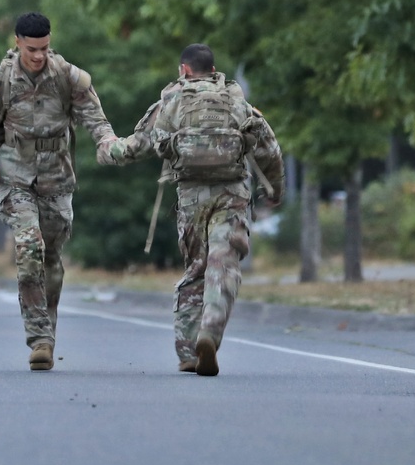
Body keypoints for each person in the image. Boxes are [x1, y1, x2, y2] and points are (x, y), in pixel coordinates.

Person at [99, 43, 285, 376]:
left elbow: (138, 145)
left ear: (184, 70)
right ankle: (209, 333)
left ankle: (187, 352)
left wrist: (106, 149)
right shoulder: (237, 101)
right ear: (213, 71)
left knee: (197, 268)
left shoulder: (171, 101)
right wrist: (274, 189)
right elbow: (269, 147)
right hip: (233, 193)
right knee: (223, 264)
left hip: (191, 197)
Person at [0, 12, 122, 371]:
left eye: (45, 48)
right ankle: (38, 338)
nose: (39, 56)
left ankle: (48, 330)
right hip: (15, 176)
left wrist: (108, 143)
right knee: (29, 249)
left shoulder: (68, 77)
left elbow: (95, 119)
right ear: (18, 42)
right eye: (32, 49)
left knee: (50, 258)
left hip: (57, 177)